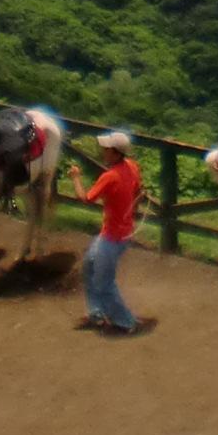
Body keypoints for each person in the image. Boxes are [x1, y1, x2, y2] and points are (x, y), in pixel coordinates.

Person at [69, 130, 143, 336]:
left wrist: (75, 177)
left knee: (103, 282)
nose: (103, 151)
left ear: (115, 152)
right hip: (119, 233)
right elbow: (139, 189)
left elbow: (85, 198)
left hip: (112, 237)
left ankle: (126, 321)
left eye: (106, 149)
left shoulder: (109, 177)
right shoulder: (132, 167)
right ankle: (96, 313)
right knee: (89, 267)